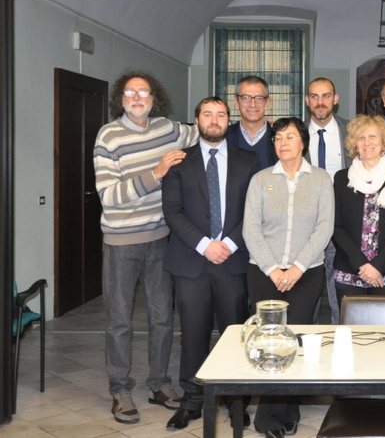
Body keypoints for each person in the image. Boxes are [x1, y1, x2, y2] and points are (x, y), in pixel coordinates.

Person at [93, 71, 197, 423]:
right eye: (130, 92)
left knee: (163, 317)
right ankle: (120, 389)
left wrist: (249, 122)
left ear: (155, 98)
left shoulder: (167, 128)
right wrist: (157, 171)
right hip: (122, 243)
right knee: (120, 321)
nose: (137, 97)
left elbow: (204, 129)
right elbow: (111, 196)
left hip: (160, 239)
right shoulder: (108, 136)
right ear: (120, 98)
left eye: (144, 92)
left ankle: (159, 383)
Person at [162, 97, 260, 430]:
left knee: (236, 334)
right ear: (197, 120)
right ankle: (192, 400)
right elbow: (172, 212)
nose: (214, 120)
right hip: (191, 262)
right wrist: (205, 246)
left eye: (220, 114)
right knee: (193, 334)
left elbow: (254, 211)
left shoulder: (249, 161)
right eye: (208, 114)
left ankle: (237, 402)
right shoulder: (179, 161)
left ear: (228, 119)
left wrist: (229, 243)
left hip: (234, 261)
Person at [243, 117, 334, 438]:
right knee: (271, 342)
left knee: (294, 341)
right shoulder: (260, 180)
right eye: (278, 138)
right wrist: (274, 269)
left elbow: (324, 227)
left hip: (306, 273)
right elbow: (250, 228)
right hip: (264, 273)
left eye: (290, 136)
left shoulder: (322, 180)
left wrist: (296, 267)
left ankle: (289, 409)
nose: (283, 143)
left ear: (303, 142)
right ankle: (268, 418)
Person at [331, 115, 385, 303]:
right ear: (354, 144)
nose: (367, 142)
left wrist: (378, 266)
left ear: (384, 142)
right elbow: (336, 227)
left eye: (373, 137)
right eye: (361, 138)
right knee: (351, 330)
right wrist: (361, 265)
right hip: (350, 270)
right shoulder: (342, 178)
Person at [304, 77, 352, 324]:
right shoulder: (295, 134)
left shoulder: (352, 131)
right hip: (306, 225)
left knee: (339, 289)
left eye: (325, 96)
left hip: (341, 223)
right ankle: (306, 340)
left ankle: (339, 339)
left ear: (335, 99)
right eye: (314, 96)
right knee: (307, 289)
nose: (320, 102)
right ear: (307, 100)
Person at [226, 75, 278, 169]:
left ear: (267, 103)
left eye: (259, 98)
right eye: (246, 98)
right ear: (236, 102)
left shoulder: (280, 137)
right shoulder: (223, 138)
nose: (253, 104)